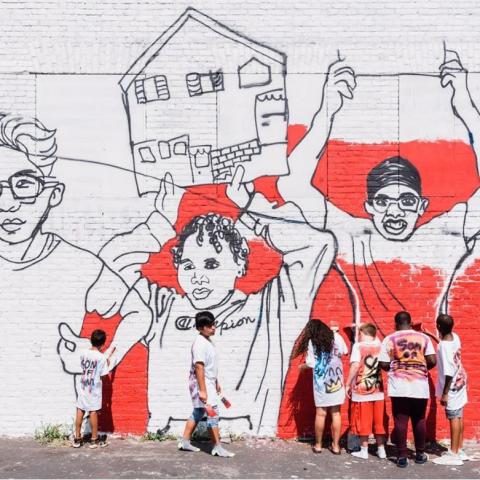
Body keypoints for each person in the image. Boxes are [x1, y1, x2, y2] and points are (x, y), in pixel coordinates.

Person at [88, 166, 336, 436]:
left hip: (244, 432)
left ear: (240, 265)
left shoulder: (271, 308)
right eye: (188, 265)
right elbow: (111, 264)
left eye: (211, 264)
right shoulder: (161, 306)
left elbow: (318, 246)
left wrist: (251, 208)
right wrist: (159, 223)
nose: (198, 277)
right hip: (168, 431)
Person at [277, 49, 480, 336]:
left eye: (406, 201)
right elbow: (290, 184)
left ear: (423, 206)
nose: (395, 211)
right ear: (369, 206)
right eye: (383, 201)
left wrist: (466, 105)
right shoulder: (354, 238)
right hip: (371, 369)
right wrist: (327, 110)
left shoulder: (444, 239)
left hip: (424, 372)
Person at [0, 113, 151, 435]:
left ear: (53, 193)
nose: (7, 204)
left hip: (37, 418)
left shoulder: (79, 264)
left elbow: (140, 312)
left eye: (23, 185)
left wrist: (105, 357)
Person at [379, 311, 436, 468]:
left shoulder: (389, 339)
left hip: (399, 386)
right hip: (420, 385)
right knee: (419, 419)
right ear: (410, 323)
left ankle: (402, 456)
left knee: (401, 420)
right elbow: (432, 360)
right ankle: (420, 454)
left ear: (396, 324)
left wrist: (395, 366)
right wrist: (421, 367)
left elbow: (383, 364)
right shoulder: (423, 338)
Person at [178, 311, 235, 457]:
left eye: (214, 324)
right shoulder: (200, 344)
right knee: (213, 414)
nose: (214, 327)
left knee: (198, 412)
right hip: (201, 384)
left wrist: (216, 382)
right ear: (201, 328)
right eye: (210, 326)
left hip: (207, 382)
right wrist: (203, 390)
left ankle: (184, 442)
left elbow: (210, 365)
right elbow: (199, 367)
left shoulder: (207, 341)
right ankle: (217, 447)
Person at [293, 319, 348, 454]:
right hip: (336, 381)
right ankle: (335, 446)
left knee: (321, 413)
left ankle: (318, 445)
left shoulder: (313, 342)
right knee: (336, 413)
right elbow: (344, 352)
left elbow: (311, 363)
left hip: (321, 383)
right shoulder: (337, 337)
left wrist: (302, 366)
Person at [346, 323, 387, 460]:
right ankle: (381, 450)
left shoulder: (358, 346)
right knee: (378, 421)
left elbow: (355, 365)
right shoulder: (380, 345)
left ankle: (364, 450)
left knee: (363, 420)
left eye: (359, 333)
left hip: (362, 390)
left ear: (363, 332)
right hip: (378, 389)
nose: (358, 336)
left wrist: (347, 384)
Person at [432, 314, 469, 466]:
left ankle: (453, 454)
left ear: (439, 327)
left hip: (452, 385)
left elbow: (448, 371)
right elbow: (446, 349)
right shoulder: (455, 337)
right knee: (459, 415)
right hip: (461, 380)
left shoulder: (443, 346)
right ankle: (459, 449)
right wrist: (429, 334)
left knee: (453, 416)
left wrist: (445, 393)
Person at [72, 329, 110, 448]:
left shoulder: (83, 353)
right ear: (103, 343)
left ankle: (77, 438)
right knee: (93, 411)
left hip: (83, 386)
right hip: (94, 389)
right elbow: (103, 376)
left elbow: (83, 367)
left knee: (80, 410)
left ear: (91, 340)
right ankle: (94, 439)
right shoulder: (101, 357)